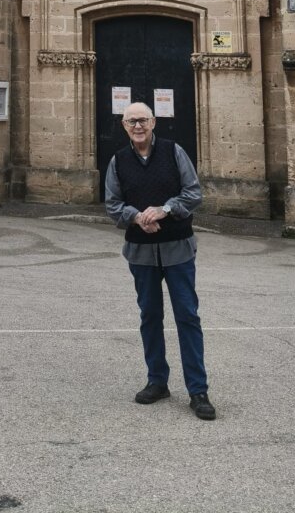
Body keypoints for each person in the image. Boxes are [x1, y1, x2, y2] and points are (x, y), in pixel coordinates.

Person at [105, 101, 216, 420]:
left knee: (187, 316)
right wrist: (137, 217)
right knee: (150, 316)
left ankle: (198, 390)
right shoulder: (118, 161)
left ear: (153, 122)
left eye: (143, 120)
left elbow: (193, 194)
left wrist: (164, 210)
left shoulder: (173, 151)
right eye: (131, 121)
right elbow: (112, 204)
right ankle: (157, 381)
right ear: (124, 126)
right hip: (141, 251)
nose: (138, 126)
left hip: (177, 248)